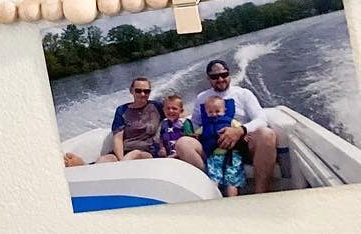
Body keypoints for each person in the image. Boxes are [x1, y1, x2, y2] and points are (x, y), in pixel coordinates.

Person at [168, 58, 278, 193]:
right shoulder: (202, 98)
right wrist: (189, 134)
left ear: (229, 75)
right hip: (213, 148)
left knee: (267, 135)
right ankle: (212, 188)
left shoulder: (243, 94)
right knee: (183, 143)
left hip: (243, 144)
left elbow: (261, 119)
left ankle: (260, 193)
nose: (220, 79)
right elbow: (195, 123)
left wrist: (239, 131)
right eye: (215, 76)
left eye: (224, 75)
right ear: (209, 79)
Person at [97, 77, 161, 162]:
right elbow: (118, 138)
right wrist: (120, 159)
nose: (142, 94)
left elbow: (176, 111)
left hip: (148, 151)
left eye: (146, 91)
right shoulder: (122, 110)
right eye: (138, 91)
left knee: (136, 154)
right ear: (131, 91)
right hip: (125, 151)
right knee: (104, 159)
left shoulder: (157, 106)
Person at [198, 94, 244, 196]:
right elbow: (197, 134)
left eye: (217, 111)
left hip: (232, 156)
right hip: (214, 157)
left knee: (232, 182)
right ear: (206, 112)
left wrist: (245, 134)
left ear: (224, 110)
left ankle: (233, 203)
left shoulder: (231, 122)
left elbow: (240, 130)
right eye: (210, 112)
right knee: (213, 181)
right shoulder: (205, 126)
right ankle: (214, 200)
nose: (214, 114)